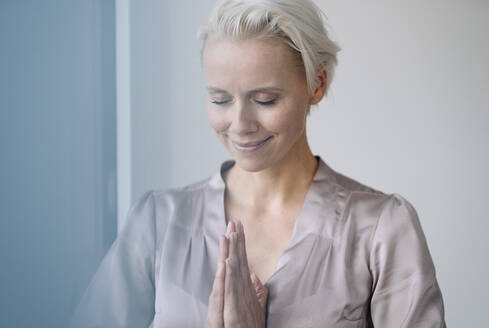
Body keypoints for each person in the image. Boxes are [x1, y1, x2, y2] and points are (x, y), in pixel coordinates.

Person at [70, 0, 446, 327]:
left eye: (264, 99)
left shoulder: (380, 230)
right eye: (219, 100)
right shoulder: (157, 224)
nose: (240, 125)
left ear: (317, 84)